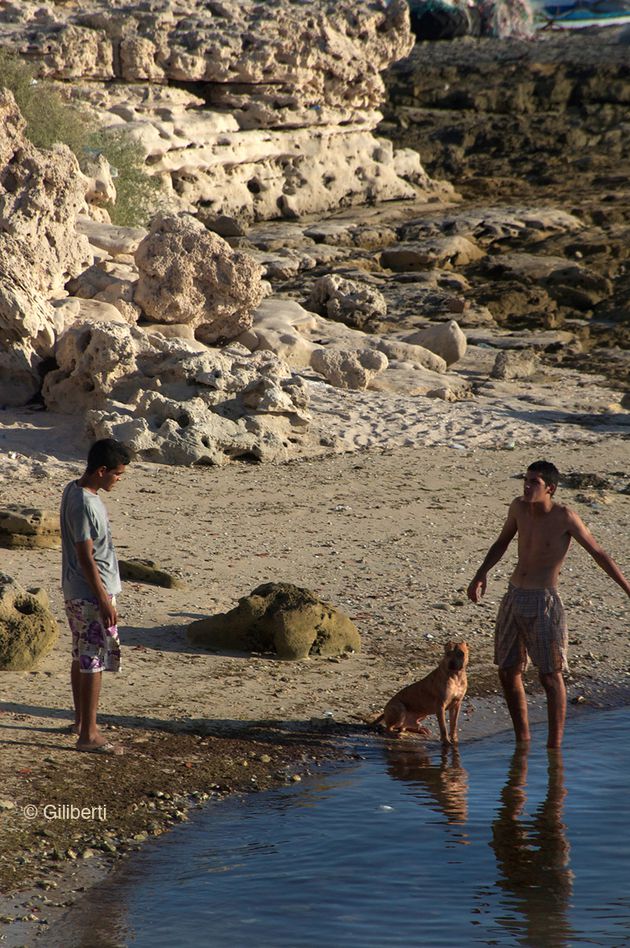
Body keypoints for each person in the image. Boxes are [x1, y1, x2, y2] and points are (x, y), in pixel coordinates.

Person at [467, 460, 630, 748]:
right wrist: (481, 573)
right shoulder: (518, 507)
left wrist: (627, 588)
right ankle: (523, 740)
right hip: (514, 596)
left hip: (544, 601)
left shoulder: (565, 517)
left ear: (550, 488)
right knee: (507, 670)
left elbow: (598, 552)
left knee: (550, 675)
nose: (527, 486)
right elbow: (502, 542)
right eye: (526, 481)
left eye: (534, 483)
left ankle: (554, 747)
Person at [60, 438, 131, 754]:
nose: (119, 479)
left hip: (79, 591)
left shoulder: (74, 489)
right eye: (117, 474)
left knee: (81, 654)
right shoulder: (86, 504)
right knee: (93, 658)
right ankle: (88, 734)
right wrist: (103, 598)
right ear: (102, 471)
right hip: (90, 594)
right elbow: (86, 556)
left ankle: (80, 722)